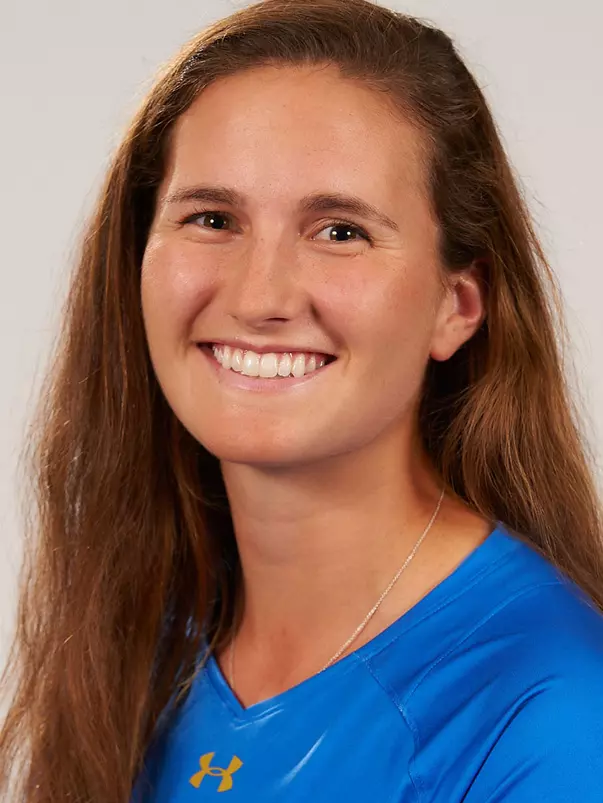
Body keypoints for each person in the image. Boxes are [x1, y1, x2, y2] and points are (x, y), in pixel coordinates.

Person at [1, 0, 603, 800]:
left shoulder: (553, 716)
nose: (260, 295)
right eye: (212, 218)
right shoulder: (142, 637)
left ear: (455, 304)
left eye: (339, 231)